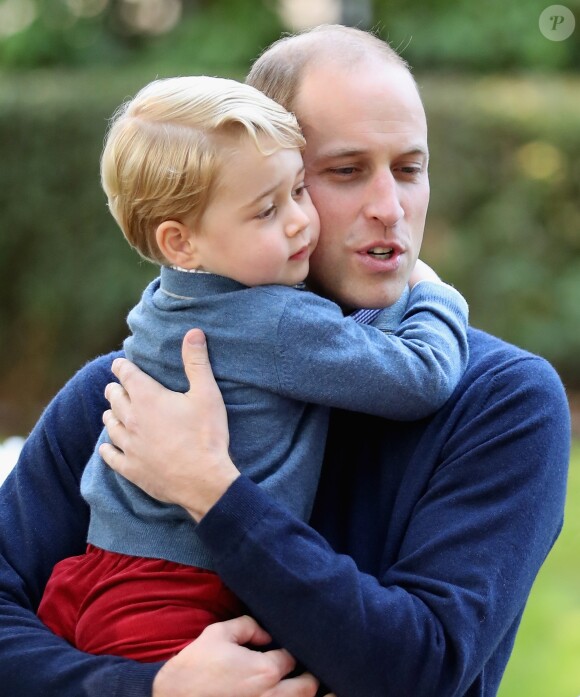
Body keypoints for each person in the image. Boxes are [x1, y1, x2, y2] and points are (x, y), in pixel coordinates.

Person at [0, 23, 570, 697]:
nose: (390, 208)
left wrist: (211, 489)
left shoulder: (502, 400)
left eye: (409, 169)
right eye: (344, 171)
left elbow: (423, 667)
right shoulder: (132, 395)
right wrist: (152, 689)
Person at [35, 74, 469, 663]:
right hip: (174, 594)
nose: (297, 222)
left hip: (97, 573)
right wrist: (434, 293)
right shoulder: (274, 321)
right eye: (267, 210)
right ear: (181, 243)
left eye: (297, 191)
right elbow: (421, 377)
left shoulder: (169, 301)